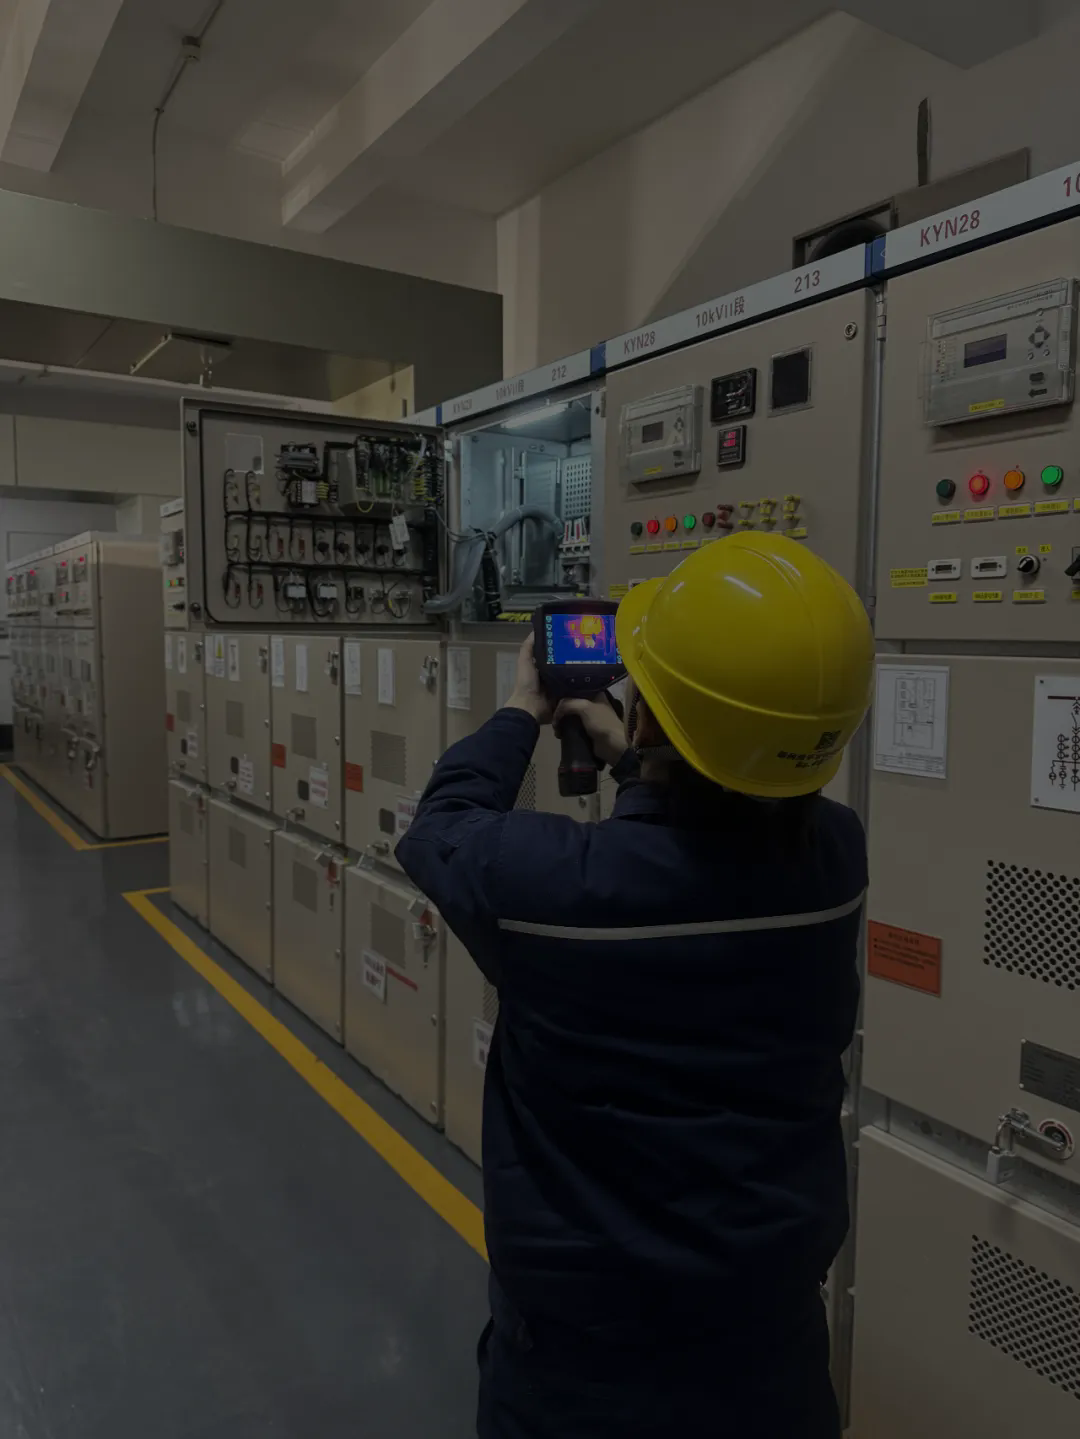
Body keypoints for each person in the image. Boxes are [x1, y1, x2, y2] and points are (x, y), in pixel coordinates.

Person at [396, 532, 875, 1439]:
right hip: (771, 1356)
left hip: (586, 1378)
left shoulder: (556, 890)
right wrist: (634, 760)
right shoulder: (838, 859)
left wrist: (522, 709)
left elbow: (441, 825)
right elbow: (728, 834)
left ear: (651, 715)